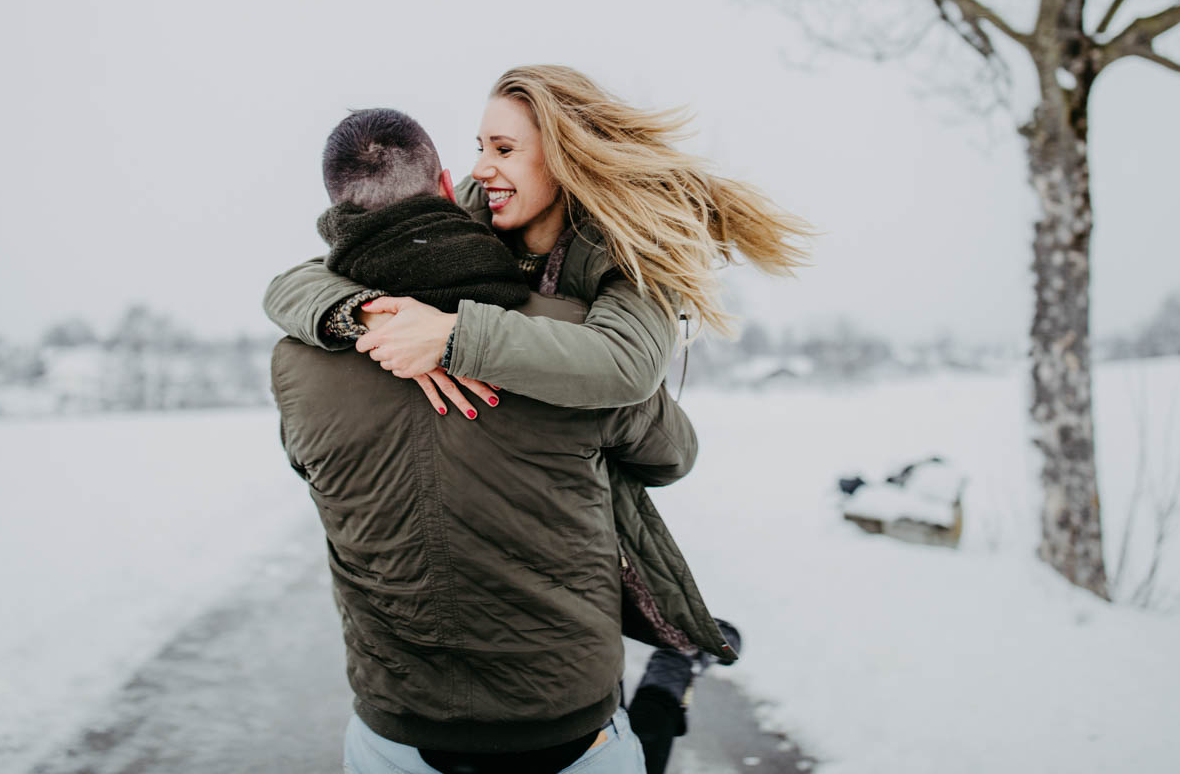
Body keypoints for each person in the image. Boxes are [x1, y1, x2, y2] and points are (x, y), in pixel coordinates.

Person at [265, 66, 812, 765]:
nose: (479, 168)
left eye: (502, 148)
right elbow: (292, 282)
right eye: (479, 145)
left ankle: (662, 682)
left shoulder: (620, 260)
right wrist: (366, 313)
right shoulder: (475, 213)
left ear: (566, 155)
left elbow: (626, 368)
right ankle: (658, 694)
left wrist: (454, 337)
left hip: (544, 630)